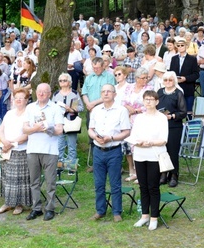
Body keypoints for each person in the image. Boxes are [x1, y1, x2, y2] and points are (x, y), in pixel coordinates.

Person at [88, 84, 131, 222]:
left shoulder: (121, 110)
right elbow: (90, 129)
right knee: (99, 183)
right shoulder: (95, 110)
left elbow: (126, 132)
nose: (106, 94)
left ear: (114, 94)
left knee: (115, 183)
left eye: (109, 91)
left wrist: (111, 138)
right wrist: (95, 137)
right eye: (103, 91)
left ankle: (116, 212)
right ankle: (100, 210)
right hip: (98, 150)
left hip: (113, 150)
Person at [23, 83, 64, 221]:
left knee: (50, 181)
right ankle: (36, 208)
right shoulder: (30, 107)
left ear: (49, 93)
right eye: (39, 91)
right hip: (33, 149)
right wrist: (36, 128)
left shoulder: (55, 108)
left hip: (50, 150)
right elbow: (24, 129)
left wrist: (47, 128)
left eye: (44, 92)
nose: (41, 94)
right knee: (34, 181)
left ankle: (50, 208)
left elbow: (59, 130)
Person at [131, 90, 168, 231]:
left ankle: (154, 217)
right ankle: (144, 215)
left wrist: (150, 142)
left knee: (153, 186)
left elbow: (164, 139)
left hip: (154, 155)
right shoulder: (139, 118)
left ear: (157, 102)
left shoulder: (161, 118)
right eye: (146, 99)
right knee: (143, 186)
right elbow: (133, 136)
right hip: (140, 155)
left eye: (151, 99)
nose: (148, 102)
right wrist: (139, 142)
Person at [0, 88, 32, 215]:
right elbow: (0, 130)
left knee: (19, 179)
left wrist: (11, 144)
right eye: (16, 98)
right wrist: (5, 142)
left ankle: (19, 204)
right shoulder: (9, 113)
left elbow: (26, 135)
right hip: (6, 149)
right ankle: (7, 203)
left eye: (21, 98)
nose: (18, 100)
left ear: (26, 100)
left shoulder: (29, 114)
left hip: (20, 150)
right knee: (6, 177)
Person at [156, 71, 187, 187]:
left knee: (172, 151)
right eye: (165, 80)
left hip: (174, 125)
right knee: (161, 150)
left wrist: (171, 116)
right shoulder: (159, 92)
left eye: (170, 80)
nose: (168, 82)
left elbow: (183, 112)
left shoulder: (178, 93)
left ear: (174, 81)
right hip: (160, 125)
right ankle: (163, 174)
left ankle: (174, 174)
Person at [53, 73, 82, 167]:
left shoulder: (74, 93)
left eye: (64, 80)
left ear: (69, 82)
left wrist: (71, 109)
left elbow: (81, 107)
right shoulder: (56, 94)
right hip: (59, 123)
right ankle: (59, 166)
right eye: (60, 81)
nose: (62, 82)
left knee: (72, 146)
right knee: (59, 145)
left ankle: (71, 167)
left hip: (71, 122)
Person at [169, 37, 200, 112]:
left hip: (188, 88)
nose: (180, 47)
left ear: (186, 46)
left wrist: (185, 78)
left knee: (188, 111)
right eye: (178, 45)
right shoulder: (174, 58)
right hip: (176, 88)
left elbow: (196, 74)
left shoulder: (192, 59)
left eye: (182, 45)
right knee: (175, 110)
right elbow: (171, 72)